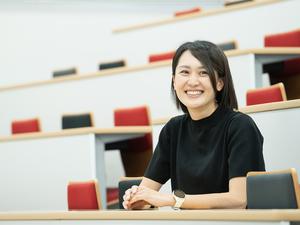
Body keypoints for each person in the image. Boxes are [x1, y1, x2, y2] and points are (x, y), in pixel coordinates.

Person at [123, 40, 265, 210]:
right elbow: (147, 191)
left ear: (220, 82)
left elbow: (239, 199)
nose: (193, 81)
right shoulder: (173, 130)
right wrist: (137, 198)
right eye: (185, 72)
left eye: (203, 73)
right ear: (174, 81)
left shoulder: (240, 126)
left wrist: (173, 200)